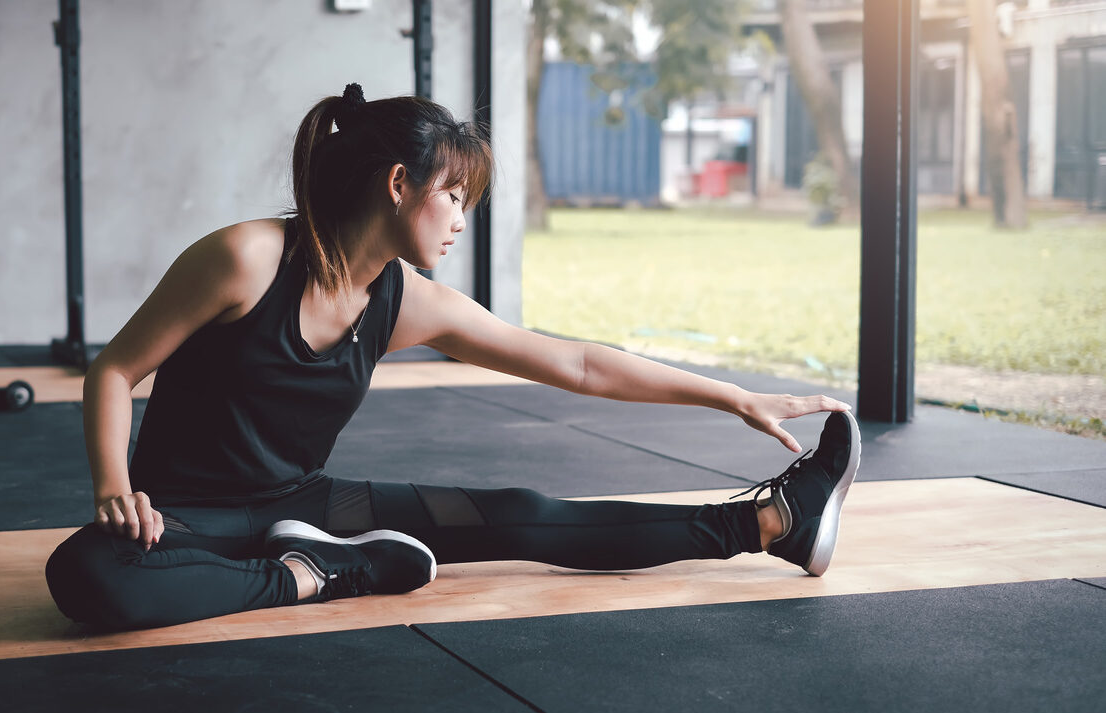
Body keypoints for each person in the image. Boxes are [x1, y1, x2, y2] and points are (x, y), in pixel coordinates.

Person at [45, 84, 861, 631]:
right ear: (400, 183)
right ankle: (317, 576)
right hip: (185, 518)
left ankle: (768, 522)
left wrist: (731, 395)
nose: (461, 220)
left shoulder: (405, 300)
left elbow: (577, 364)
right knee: (85, 573)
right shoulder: (246, 258)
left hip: (308, 505)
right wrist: (116, 490)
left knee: (522, 509)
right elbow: (115, 369)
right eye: (455, 197)